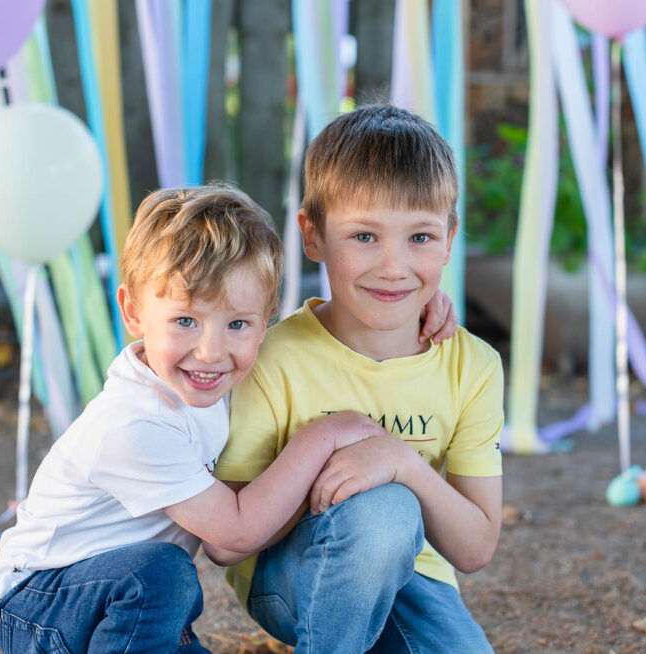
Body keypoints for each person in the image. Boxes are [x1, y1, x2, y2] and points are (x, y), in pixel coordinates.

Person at [0, 186, 393, 653]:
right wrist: (322, 436)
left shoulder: (205, 381)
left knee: (161, 577)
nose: (211, 352)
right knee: (164, 573)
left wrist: (423, 312)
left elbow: (314, 345)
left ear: (264, 325)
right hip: (40, 603)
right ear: (133, 312)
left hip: (129, 601)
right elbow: (236, 531)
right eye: (185, 321)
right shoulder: (135, 424)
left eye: (237, 324)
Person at [211, 105, 505, 653]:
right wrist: (331, 475)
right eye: (364, 236)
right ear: (313, 236)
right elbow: (227, 541)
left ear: (449, 238)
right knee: (382, 514)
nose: (393, 267)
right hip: (291, 577)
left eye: (420, 237)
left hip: (418, 580)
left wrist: (401, 464)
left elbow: (475, 547)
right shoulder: (274, 357)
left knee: (395, 513)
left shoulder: (474, 366)